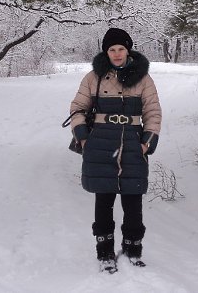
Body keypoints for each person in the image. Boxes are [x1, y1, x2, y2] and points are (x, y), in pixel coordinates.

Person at [69, 28, 162, 273]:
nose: (117, 54)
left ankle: (133, 250)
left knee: (133, 200)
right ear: (106, 52)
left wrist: (147, 142)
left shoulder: (144, 79)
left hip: (132, 144)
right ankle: (105, 253)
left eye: (121, 49)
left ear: (128, 50)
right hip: (100, 144)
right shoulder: (93, 78)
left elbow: (153, 112)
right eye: (112, 49)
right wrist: (84, 138)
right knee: (104, 200)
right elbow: (77, 108)